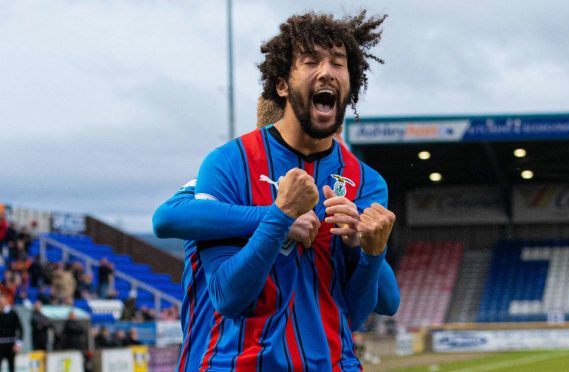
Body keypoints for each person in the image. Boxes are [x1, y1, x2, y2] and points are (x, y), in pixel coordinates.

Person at [154, 10, 396, 371]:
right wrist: (278, 217)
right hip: (232, 362)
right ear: (282, 87)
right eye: (310, 61)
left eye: (338, 63)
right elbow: (227, 296)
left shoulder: (366, 182)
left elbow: (356, 314)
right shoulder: (229, 164)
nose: (327, 71)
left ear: (352, 84)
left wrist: (371, 252)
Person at [0, 293, 22, 372]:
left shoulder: (13, 313)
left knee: (11, 367)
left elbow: (20, 329)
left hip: (10, 344)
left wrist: (18, 343)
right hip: (0, 344)